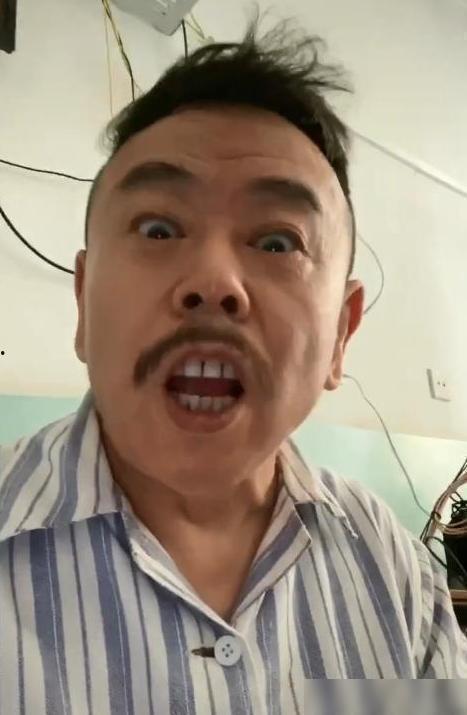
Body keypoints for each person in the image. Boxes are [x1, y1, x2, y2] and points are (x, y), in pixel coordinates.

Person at [0, 16, 466, 715]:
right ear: (83, 303)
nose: (214, 281)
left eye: (277, 242)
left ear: (341, 335)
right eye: (159, 228)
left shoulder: (393, 571)